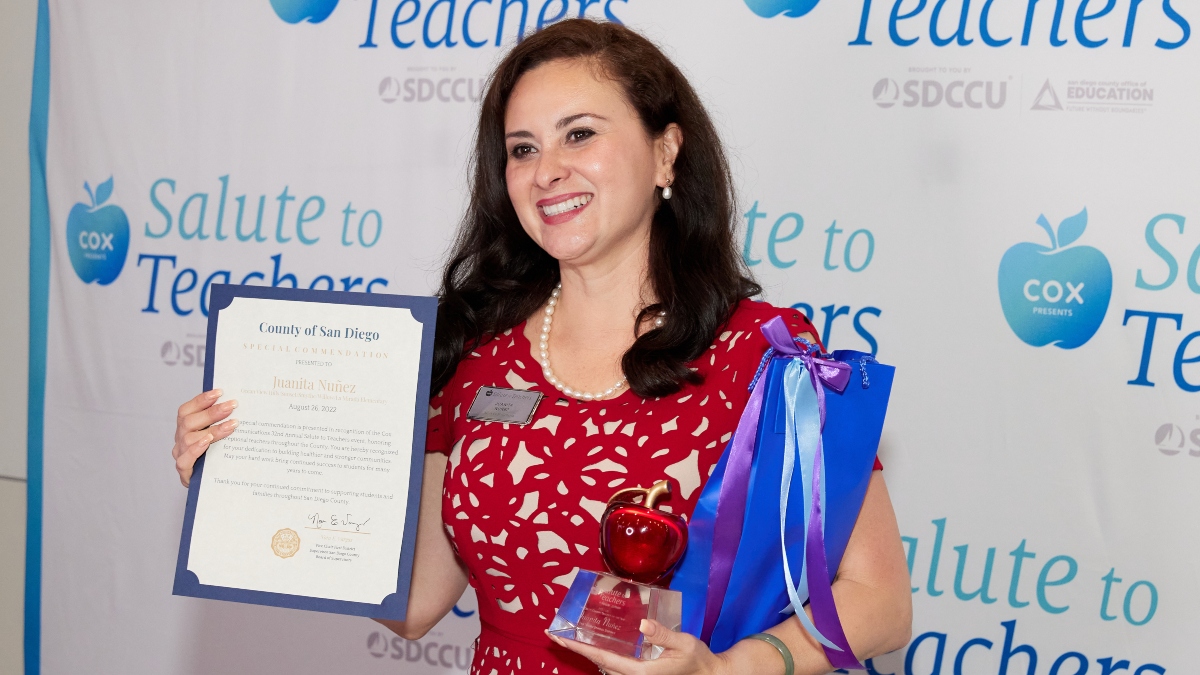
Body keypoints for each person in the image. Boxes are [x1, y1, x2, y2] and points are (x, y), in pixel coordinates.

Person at [171, 18, 912, 675]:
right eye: (522, 148)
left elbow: (880, 600)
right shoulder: (474, 357)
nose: (546, 169)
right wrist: (250, 482)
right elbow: (417, 599)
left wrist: (727, 670)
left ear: (666, 153)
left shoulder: (769, 355)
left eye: (580, 133)